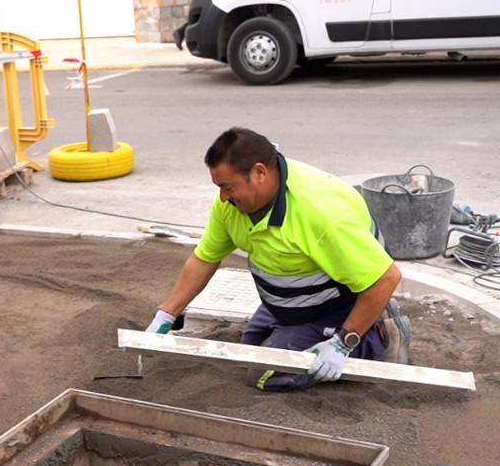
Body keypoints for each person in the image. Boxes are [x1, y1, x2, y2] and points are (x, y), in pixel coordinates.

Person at [145, 127, 411, 391]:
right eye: (219, 188)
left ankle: (378, 336)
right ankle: (303, 332)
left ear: (259, 172)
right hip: (286, 305)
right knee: (250, 349)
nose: (223, 197)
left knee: (264, 374)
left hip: (339, 306)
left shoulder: (320, 214)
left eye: (228, 187)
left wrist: (342, 342)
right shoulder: (232, 204)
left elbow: (385, 278)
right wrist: (166, 315)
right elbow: (205, 259)